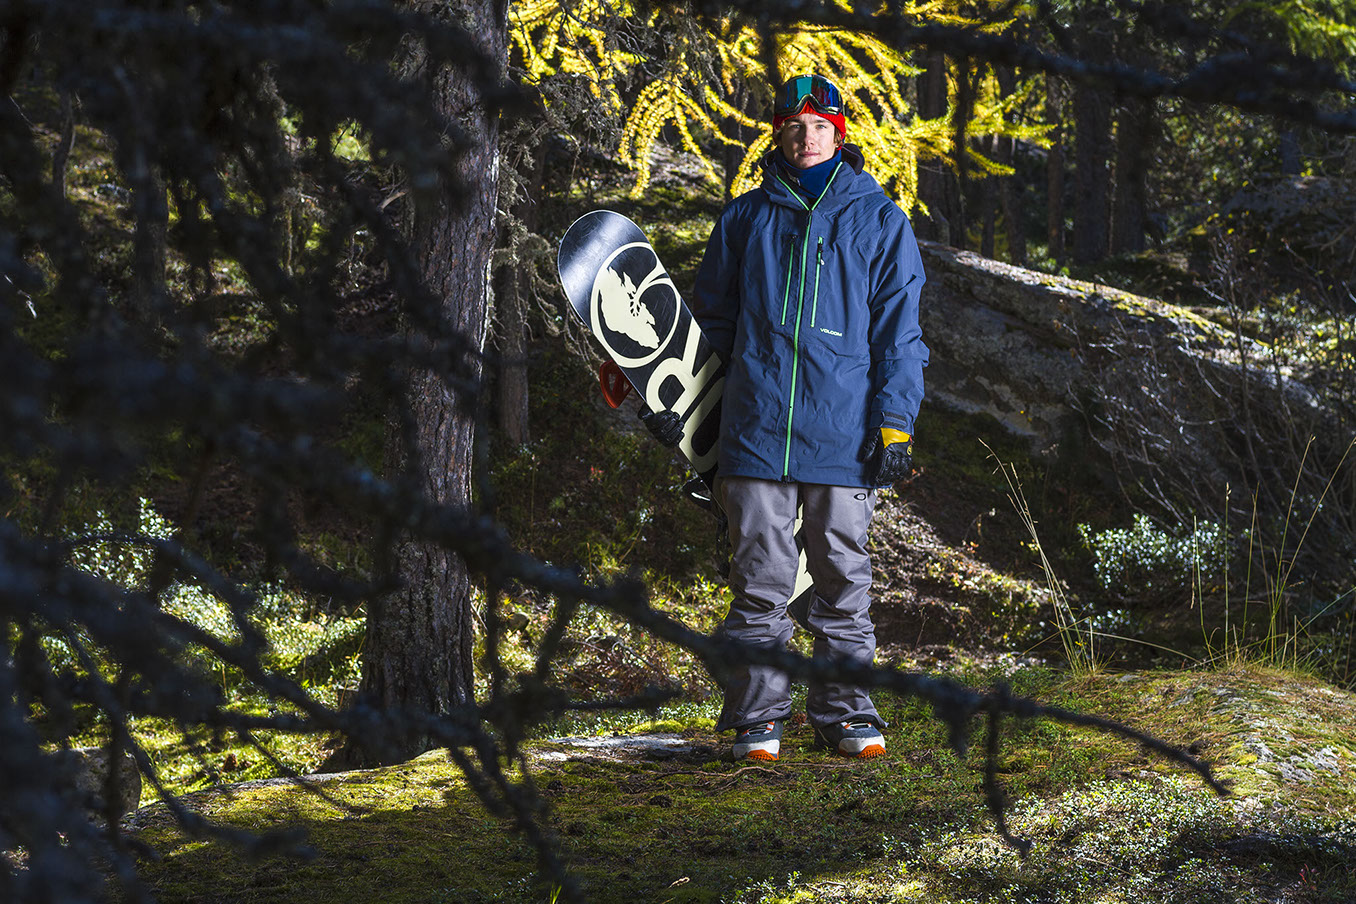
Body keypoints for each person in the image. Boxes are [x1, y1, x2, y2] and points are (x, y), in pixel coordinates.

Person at [689, 73, 928, 761]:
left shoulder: (880, 220)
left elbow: (900, 336)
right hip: (755, 430)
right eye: (794, 125)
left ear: (839, 134)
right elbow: (711, 326)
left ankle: (846, 714)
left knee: (842, 579)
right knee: (760, 581)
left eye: (820, 125)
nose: (807, 136)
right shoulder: (744, 219)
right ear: (778, 134)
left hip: (843, 433)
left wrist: (895, 423)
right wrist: (683, 407)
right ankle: (758, 719)